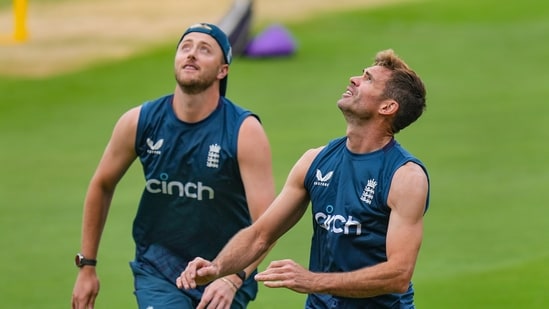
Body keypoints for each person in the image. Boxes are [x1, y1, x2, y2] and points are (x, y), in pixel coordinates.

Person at [177, 49, 430, 308]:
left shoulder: (405, 177)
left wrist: (313, 281)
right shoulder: (314, 161)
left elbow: (399, 274)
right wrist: (217, 267)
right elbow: (260, 235)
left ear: (387, 107)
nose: (354, 79)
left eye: (367, 79)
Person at [71, 22, 276, 309]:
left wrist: (233, 278)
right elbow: (101, 184)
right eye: (185, 47)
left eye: (204, 50)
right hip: (159, 268)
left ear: (222, 70)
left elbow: (267, 224)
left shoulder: (244, 131)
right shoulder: (139, 121)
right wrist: (87, 266)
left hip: (224, 269)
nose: (191, 54)